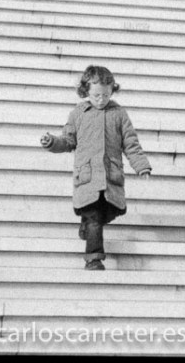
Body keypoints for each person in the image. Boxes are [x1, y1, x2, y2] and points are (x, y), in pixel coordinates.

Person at [40, 65, 151, 270]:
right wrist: (53, 142)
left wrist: (141, 166)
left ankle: (87, 225)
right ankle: (93, 259)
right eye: (96, 95)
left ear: (112, 90)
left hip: (109, 177)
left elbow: (131, 143)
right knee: (94, 217)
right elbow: (68, 140)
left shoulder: (119, 113)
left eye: (106, 95)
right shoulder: (78, 113)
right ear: (86, 91)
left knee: (109, 211)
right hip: (88, 178)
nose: (101, 100)